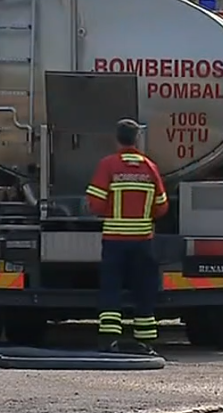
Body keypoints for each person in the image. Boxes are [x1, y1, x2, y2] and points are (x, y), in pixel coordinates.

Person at [85, 118, 169, 356]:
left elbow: (95, 203)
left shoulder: (108, 165)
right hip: (143, 241)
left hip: (114, 241)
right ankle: (145, 342)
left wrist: (111, 211)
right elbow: (162, 206)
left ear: (117, 139)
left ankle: (109, 340)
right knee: (144, 290)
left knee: (111, 289)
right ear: (137, 139)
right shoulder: (150, 167)